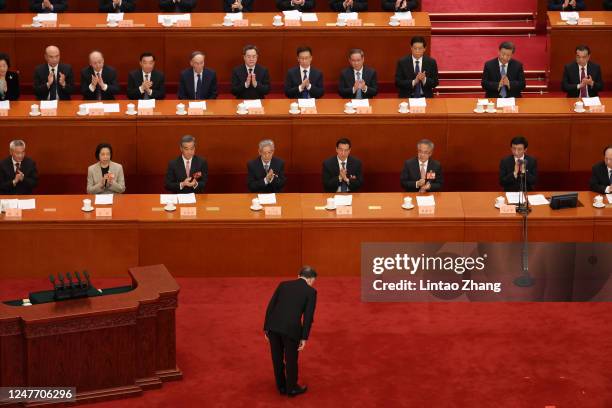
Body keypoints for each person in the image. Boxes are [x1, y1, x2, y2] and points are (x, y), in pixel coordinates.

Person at [264, 266, 317, 398]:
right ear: (310, 279)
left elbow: (271, 306)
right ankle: (292, 388)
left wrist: (266, 328)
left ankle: (281, 387)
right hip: (291, 330)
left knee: (276, 358)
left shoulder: (283, 285)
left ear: (298, 275)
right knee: (291, 360)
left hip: (274, 327)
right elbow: (308, 317)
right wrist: (304, 338)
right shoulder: (311, 292)